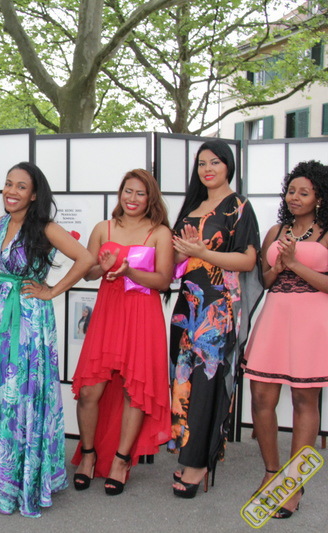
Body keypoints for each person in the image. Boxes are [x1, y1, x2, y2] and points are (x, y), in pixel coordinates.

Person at [0, 162, 95, 517]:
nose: (12, 191)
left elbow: (85, 258)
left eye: (21, 186)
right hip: (1, 318)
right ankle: (2, 469)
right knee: (2, 392)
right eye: (8, 184)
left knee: (24, 392)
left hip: (30, 321)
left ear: (35, 194)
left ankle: (25, 476)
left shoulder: (46, 227)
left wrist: (52, 290)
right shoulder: (0, 223)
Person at [169, 139, 262, 498]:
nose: (207, 169)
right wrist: (183, 255)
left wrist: (203, 251)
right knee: (183, 379)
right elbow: (176, 262)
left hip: (218, 308)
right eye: (201, 163)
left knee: (207, 381)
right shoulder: (192, 206)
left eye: (215, 162)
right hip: (187, 306)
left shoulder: (239, 207)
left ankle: (198, 463)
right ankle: (187, 452)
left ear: (228, 166)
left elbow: (248, 260)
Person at [71, 169, 173, 495]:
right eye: (128, 191)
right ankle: (88, 454)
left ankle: (121, 460)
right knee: (90, 390)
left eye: (140, 193)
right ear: (120, 193)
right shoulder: (103, 228)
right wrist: (103, 267)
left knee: (134, 390)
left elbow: (164, 280)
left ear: (150, 198)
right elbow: (88, 273)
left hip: (143, 315)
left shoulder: (160, 233)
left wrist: (130, 272)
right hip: (109, 312)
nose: (132, 198)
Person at [243, 160, 328, 518]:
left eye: (303, 192)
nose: (295, 197)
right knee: (261, 396)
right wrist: (278, 267)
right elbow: (264, 280)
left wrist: (295, 264)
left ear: (319, 198)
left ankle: (293, 484)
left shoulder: (326, 232)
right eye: (291, 191)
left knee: (305, 400)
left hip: (312, 322)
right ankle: (271, 472)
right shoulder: (276, 231)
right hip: (275, 318)